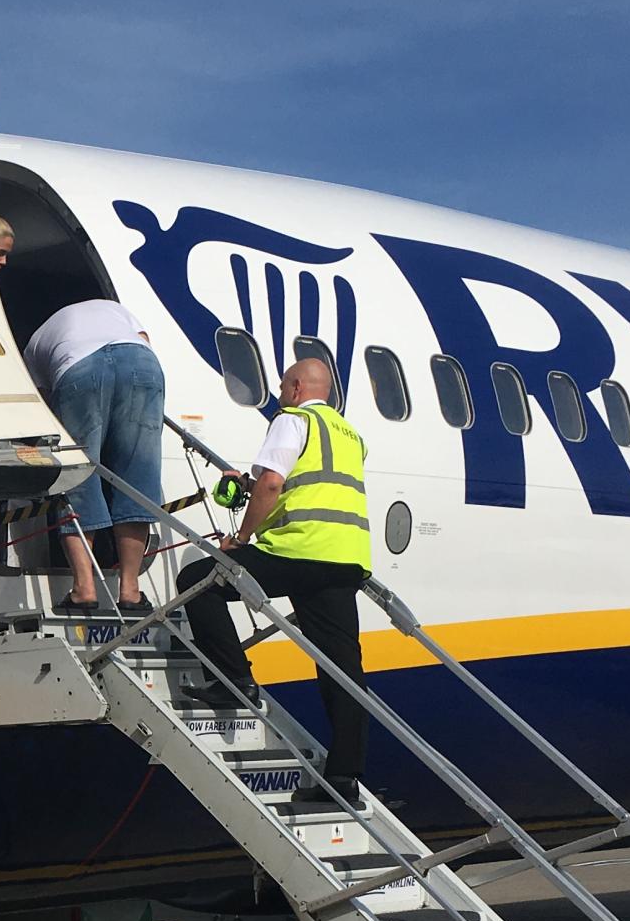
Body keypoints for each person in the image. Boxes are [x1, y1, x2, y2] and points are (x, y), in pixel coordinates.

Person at [181, 355, 373, 803]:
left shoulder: (291, 421)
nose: (283, 394)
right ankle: (345, 780)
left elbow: (273, 484)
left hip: (296, 550)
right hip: (344, 560)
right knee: (342, 670)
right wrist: (249, 486)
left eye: (286, 386)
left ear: (297, 388)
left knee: (198, 581)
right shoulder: (351, 436)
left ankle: (234, 682)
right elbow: (307, 487)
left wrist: (240, 538)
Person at [20, 296, 166, 614]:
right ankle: (130, 589)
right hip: (140, 361)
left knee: (78, 472)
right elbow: (145, 343)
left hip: (78, 368)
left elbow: (45, 411)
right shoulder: (118, 310)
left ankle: (84, 588)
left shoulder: (34, 346)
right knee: (136, 473)